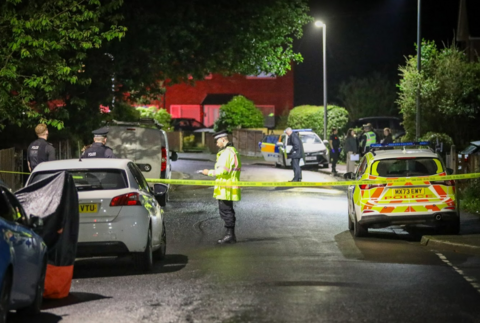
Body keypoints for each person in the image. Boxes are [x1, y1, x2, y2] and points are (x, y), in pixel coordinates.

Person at [202, 130, 241, 244]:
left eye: (217, 141)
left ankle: (230, 235)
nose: (216, 144)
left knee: (225, 210)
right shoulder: (232, 151)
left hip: (225, 186)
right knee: (228, 210)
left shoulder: (226, 153)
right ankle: (230, 235)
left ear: (223, 139)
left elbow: (223, 171)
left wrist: (207, 172)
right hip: (229, 185)